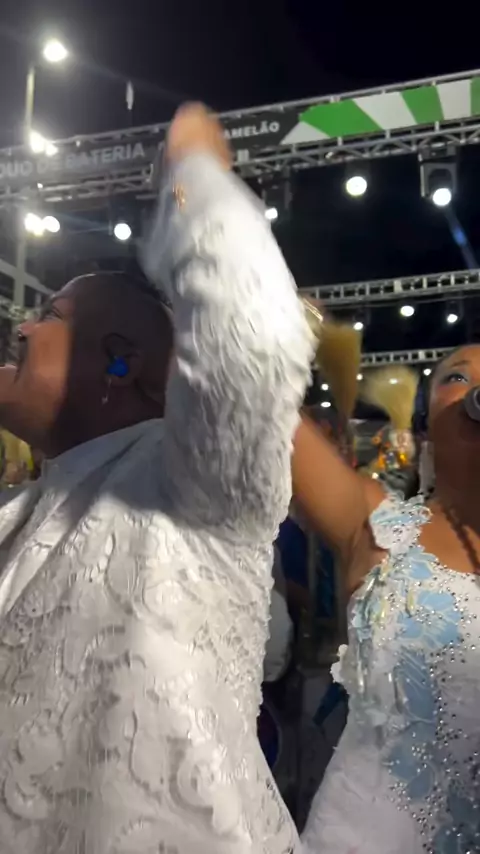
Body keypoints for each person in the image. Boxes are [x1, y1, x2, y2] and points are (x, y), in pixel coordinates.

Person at [0, 104, 312, 853]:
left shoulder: (190, 479)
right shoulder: (18, 511)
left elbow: (252, 346)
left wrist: (197, 177)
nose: (21, 326)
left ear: (121, 362)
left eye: (51, 314)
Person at [293, 344, 480, 854]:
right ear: (423, 425)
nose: (476, 390)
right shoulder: (378, 524)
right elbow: (262, 409)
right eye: (457, 378)